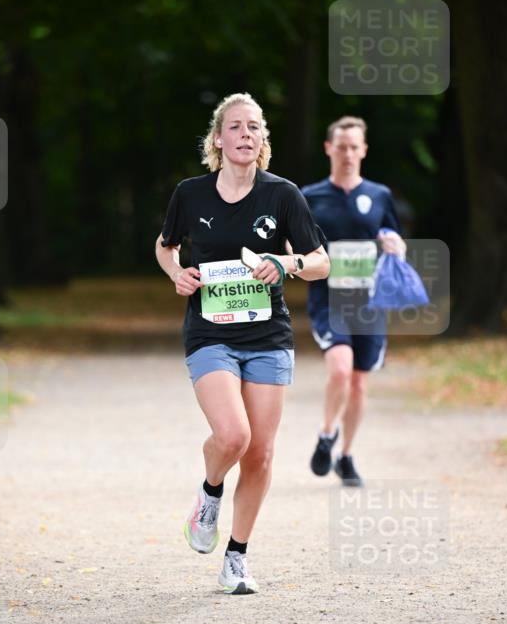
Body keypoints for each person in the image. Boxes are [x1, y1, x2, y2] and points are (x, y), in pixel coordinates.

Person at [155, 93, 329, 595]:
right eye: (236, 127)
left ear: (262, 139)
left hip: (268, 335)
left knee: (261, 454)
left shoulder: (283, 196)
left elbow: (321, 260)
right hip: (210, 332)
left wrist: (287, 263)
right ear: (218, 138)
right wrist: (176, 274)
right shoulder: (191, 194)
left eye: (254, 127)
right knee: (234, 437)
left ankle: (236, 557)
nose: (246, 135)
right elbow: (165, 246)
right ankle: (210, 494)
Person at [302, 116, 406, 487]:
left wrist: (396, 245)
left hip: (370, 301)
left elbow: (393, 236)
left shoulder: (379, 195)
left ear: (364, 150)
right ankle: (326, 432)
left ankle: (345, 455)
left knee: (359, 383)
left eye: (354, 147)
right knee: (341, 370)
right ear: (329, 148)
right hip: (328, 299)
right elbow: (293, 243)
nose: (347, 153)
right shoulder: (309, 196)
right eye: (341, 146)